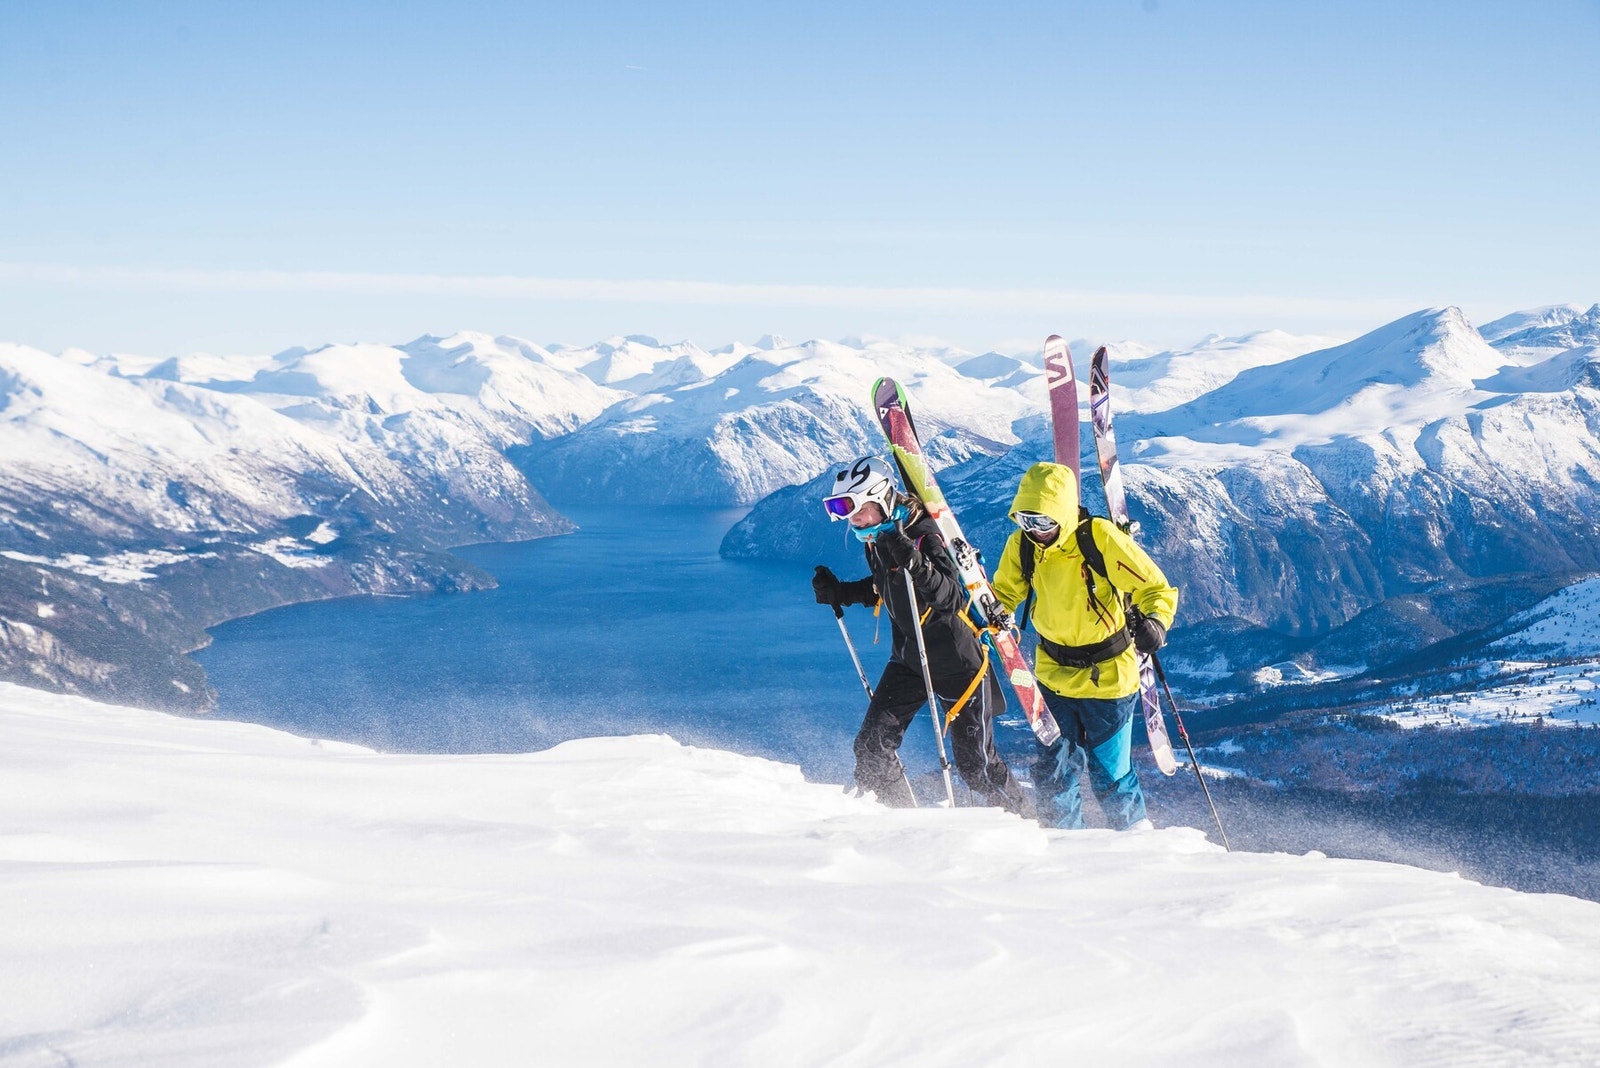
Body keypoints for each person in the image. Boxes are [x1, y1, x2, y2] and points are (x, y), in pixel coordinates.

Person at [811, 456, 1026, 813]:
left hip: (958, 665)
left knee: (978, 769)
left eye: (855, 507)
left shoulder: (923, 535)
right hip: (911, 657)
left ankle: (1029, 824)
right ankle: (902, 822)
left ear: (879, 499)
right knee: (871, 748)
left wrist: (911, 555)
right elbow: (887, 585)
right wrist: (843, 593)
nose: (852, 519)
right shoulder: (878, 536)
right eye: (841, 509)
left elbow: (949, 598)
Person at [991, 461, 1178, 831]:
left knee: (1111, 775)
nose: (1035, 531)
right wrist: (991, 609)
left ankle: (1137, 849)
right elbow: (1006, 593)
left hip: (1108, 678)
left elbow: (1155, 587)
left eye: (1043, 521)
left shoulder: (1098, 538)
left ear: (1061, 512)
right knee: (1054, 772)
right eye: (1026, 521)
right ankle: (1065, 854)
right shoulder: (1022, 546)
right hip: (1053, 675)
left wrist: (1156, 622)